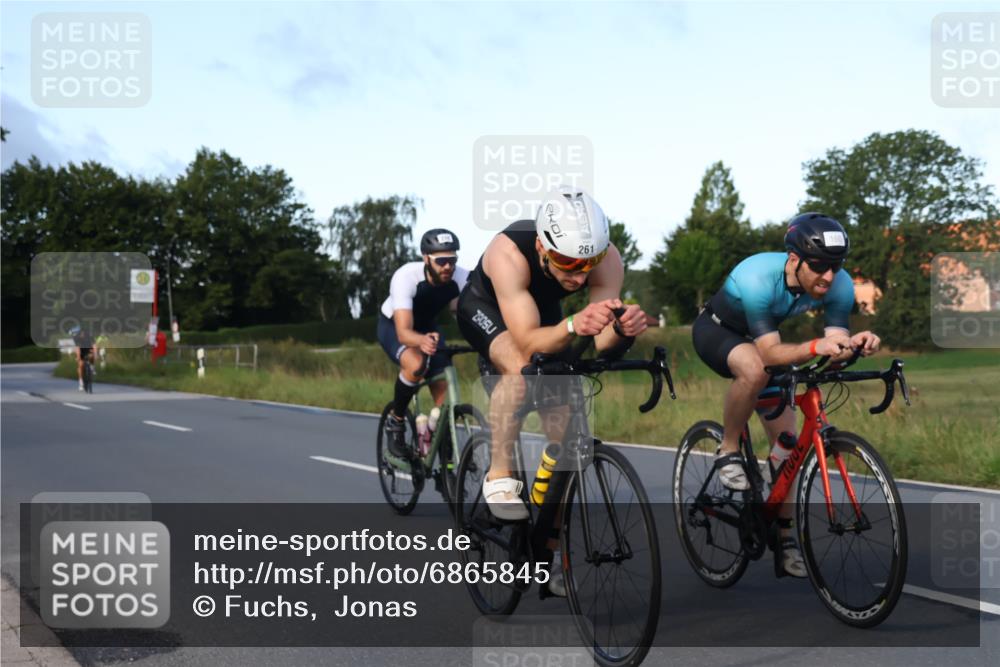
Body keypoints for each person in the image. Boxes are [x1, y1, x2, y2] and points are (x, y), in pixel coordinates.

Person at [691, 212, 881, 577]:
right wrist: (816, 345)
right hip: (718, 332)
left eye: (836, 266)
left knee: (790, 444)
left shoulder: (839, 284)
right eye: (819, 266)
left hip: (766, 342)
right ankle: (728, 448)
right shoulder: (758, 275)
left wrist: (853, 345)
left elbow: (834, 346)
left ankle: (785, 536)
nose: (828, 276)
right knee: (754, 369)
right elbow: (768, 354)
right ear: (794, 259)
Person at [457, 186, 648, 517]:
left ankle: (549, 551)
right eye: (568, 262)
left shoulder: (608, 259)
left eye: (590, 263)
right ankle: (499, 475)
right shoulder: (508, 254)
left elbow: (603, 343)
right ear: (541, 246)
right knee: (519, 370)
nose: (580, 276)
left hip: (540, 312)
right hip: (485, 307)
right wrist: (574, 324)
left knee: (565, 436)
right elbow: (529, 342)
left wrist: (621, 331)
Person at [378, 229, 469, 457]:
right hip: (395, 325)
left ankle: (435, 432)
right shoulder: (406, 277)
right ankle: (396, 421)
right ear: (426, 257)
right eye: (441, 261)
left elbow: (466, 314)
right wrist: (420, 341)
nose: (448, 267)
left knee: (443, 377)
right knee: (417, 365)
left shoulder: (460, 277)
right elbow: (404, 332)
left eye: (452, 260)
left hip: (428, 326)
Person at [70, 325, 95, 391]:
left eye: (78, 334)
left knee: (92, 356)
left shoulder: (89, 335)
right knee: (81, 365)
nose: (76, 336)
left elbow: (94, 345)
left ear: (81, 332)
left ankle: (92, 366)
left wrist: (95, 354)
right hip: (81, 349)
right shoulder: (76, 338)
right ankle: (81, 382)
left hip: (89, 347)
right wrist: (78, 357)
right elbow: (77, 348)